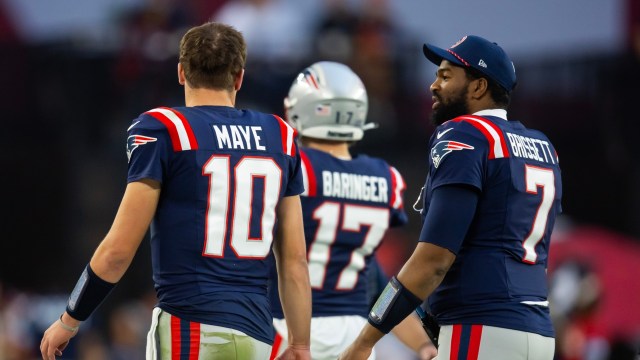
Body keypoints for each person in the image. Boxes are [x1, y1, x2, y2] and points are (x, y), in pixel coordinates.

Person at [40, 22, 312, 360]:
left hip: (191, 325)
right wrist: (300, 345)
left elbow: (118, 251)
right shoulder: (279, 135)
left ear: (181, 72)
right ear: (239, 77)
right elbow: (295, 260)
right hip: (259, 335)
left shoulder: (165, 129)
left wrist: (70, 319)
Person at [340, 35, 562, 360]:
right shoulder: (542, 146)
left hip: (480, 327)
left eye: (445, 76)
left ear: (478, 87)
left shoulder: (463, 133)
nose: (433, 86)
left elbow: (433, 261)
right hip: (538, 330)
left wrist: (365, 339)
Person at [267, 61, 437, 360]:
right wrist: (423, 344)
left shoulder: (290, 168)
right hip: (354, 336)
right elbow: (375, 282)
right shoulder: (385, 177)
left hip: (287, 331)